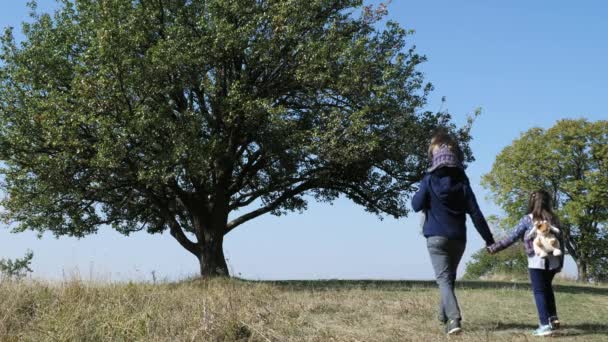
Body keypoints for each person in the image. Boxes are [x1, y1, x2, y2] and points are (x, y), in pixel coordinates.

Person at [412, 131, 495, 335]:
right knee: (448, 278)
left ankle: (454, 319)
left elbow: (416, 205)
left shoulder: (429, 179)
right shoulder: (462, 181)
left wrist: (425, 189)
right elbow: (476, 213)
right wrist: (489, 239)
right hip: (458, 238)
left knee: (443, 279)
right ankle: (443, 316)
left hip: (436, 237)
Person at [487, 190, 564, 337]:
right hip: (553, 261)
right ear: (548, 202)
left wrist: (493, 248)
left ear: (531, 202)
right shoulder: (555, 219)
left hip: (537, 261)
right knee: (547, 288)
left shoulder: (527, 220)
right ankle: (553, 318)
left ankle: (544, 325)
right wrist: (560, 263)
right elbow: (562, 241)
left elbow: (511, 237)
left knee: (539, 291)